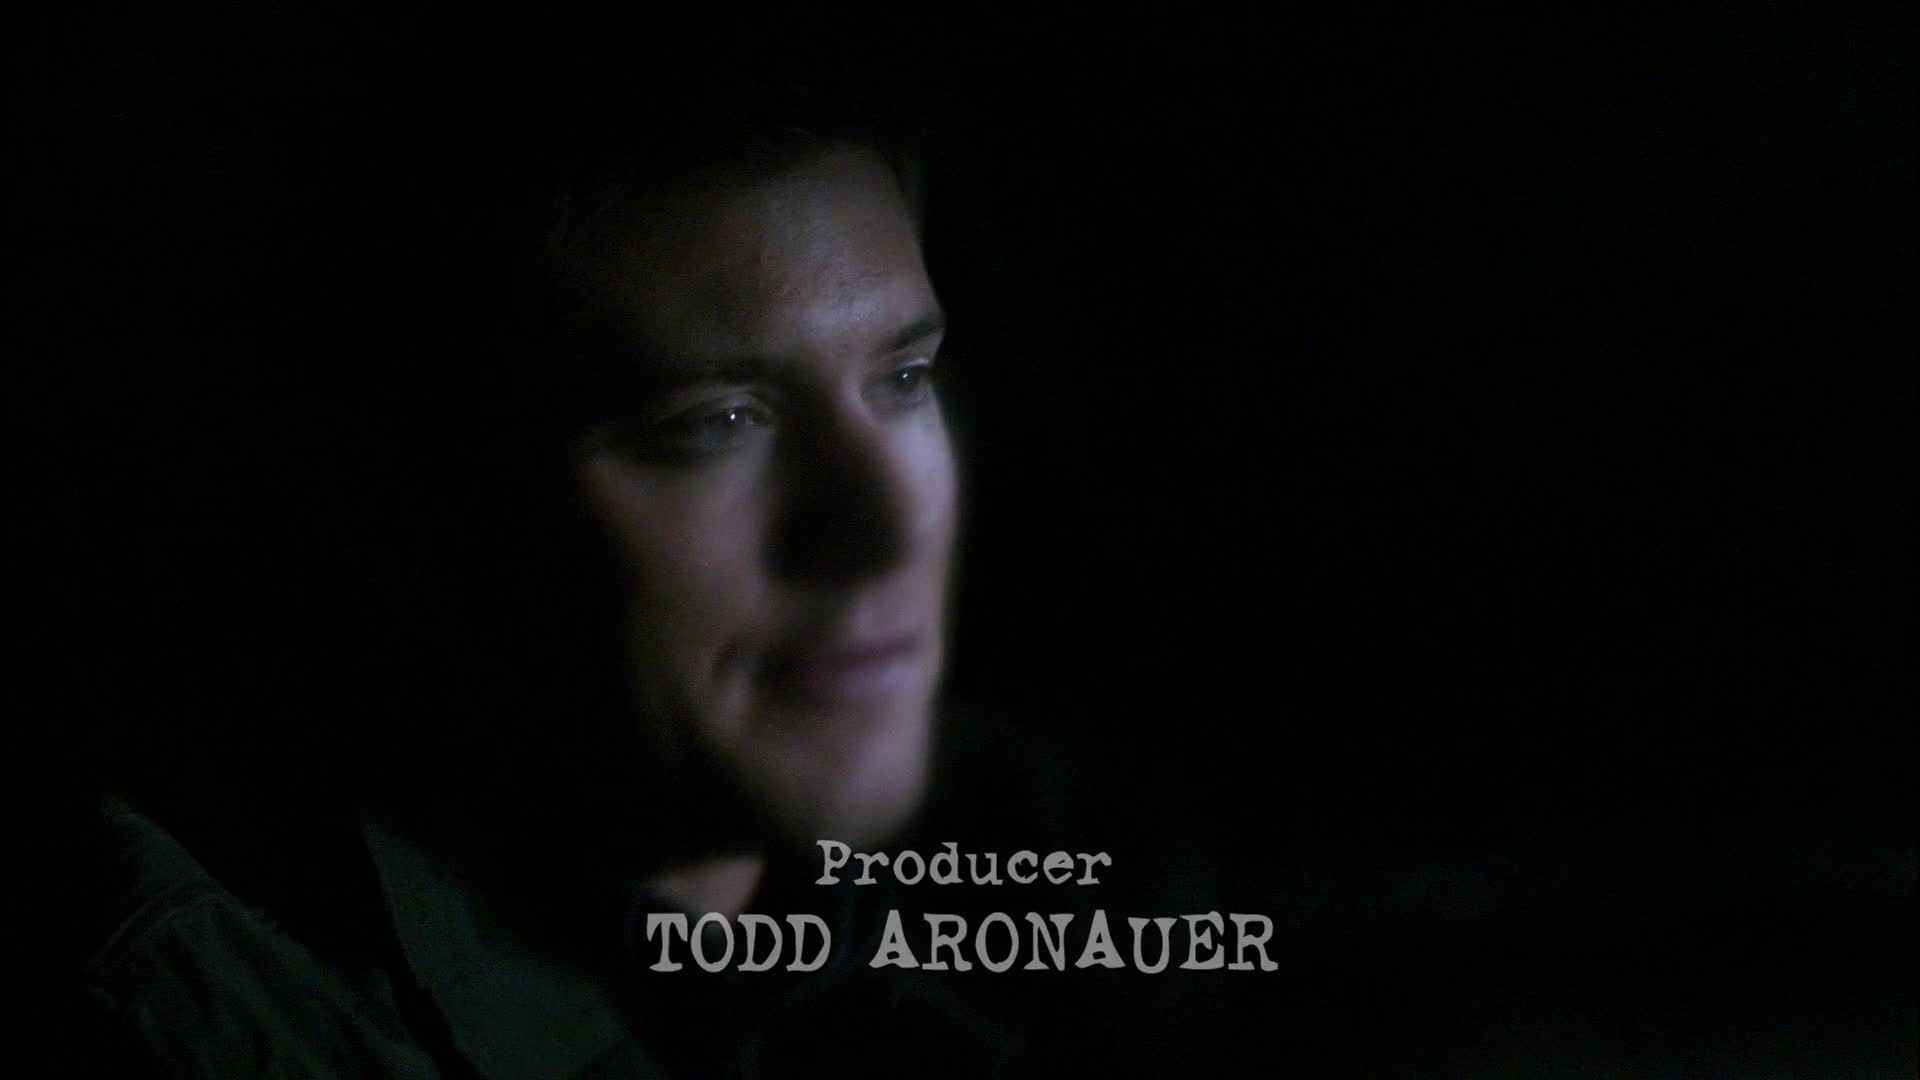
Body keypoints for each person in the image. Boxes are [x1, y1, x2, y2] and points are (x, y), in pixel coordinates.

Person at [64, 21, 1058, 1078]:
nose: (889, 526)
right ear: (425, 505)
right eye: (716, 423)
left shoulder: (1084, 857)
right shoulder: (201, 1004)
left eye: (903, 379)